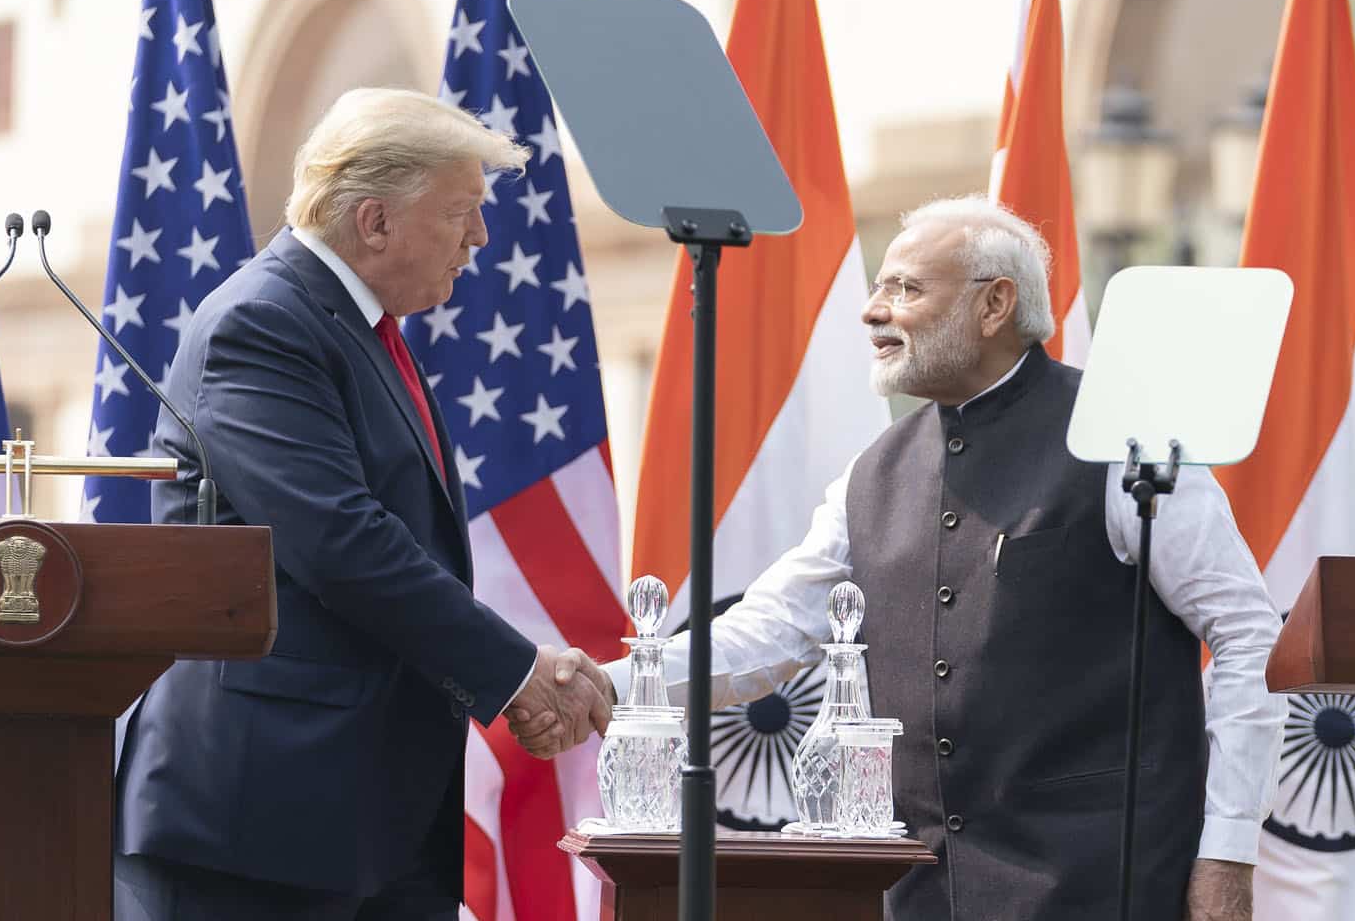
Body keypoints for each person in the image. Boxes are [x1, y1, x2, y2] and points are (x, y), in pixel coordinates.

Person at [518, 194, 1285, 921]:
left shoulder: (1125, 444)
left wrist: (1227, 852)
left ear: (994, 305)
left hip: (1102, 882)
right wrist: (608, 684)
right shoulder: (874, 472)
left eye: (906, 288)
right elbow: (771, 630)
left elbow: (1250, 634)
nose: (873, 308)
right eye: (879, 285)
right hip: (918, 888)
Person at [115, 88, 611, 921]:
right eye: (463, 212)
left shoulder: (352, 325)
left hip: (365, 821)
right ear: (374, 221)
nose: (480, 238)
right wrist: (516, 671)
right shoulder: (264, 323)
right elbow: (342, 542)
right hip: (258, 825)